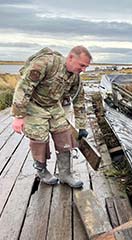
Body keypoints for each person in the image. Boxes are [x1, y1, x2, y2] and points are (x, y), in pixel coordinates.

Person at [11, 46, 92, 188]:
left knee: (64, 135)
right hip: (34, 106)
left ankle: (66, 174)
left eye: (86, 67)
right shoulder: (46, 63)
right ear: (71, 58)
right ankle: (42, 171)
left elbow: (79, 100)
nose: (84, 70)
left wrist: (81, 125)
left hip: (54, 106)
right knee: (39, 139)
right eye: (82, 65)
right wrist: (18, 116)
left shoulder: (75, 77)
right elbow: (24, 87)